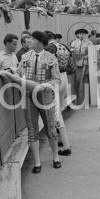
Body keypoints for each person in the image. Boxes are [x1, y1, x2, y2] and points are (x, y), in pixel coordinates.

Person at [17, 31, 62, 173]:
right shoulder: (25, 57)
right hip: (29, 95)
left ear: (40, 43)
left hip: (45, 95)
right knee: (32, 128)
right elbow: (18, 74)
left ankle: (55, 157)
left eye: (32, 39)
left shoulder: (51, 57)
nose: (29, 41)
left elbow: (57, 79)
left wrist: (45, 85)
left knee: (50, 127)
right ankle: (37, 162)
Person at [45, 31, 73, 156]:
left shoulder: (50, 48)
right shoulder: (64, 47)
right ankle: (62, 140)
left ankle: (66, 146)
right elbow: (70, 65)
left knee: (57, 114)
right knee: (60, 110)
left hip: (55, 79)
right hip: (64, 77)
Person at [70, 28, 91, 105]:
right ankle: (78, 99)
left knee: (85, 80)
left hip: (85, 63)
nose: (81, 35)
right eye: (80, 34)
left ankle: (86, 99)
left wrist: (87, 56)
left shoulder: (89, 43)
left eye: (83, 34)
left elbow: (91, 53)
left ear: (85, 35)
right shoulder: (74, 43)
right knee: (77, 80)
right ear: (78, 35)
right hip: (76, 63)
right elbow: (72, 53)